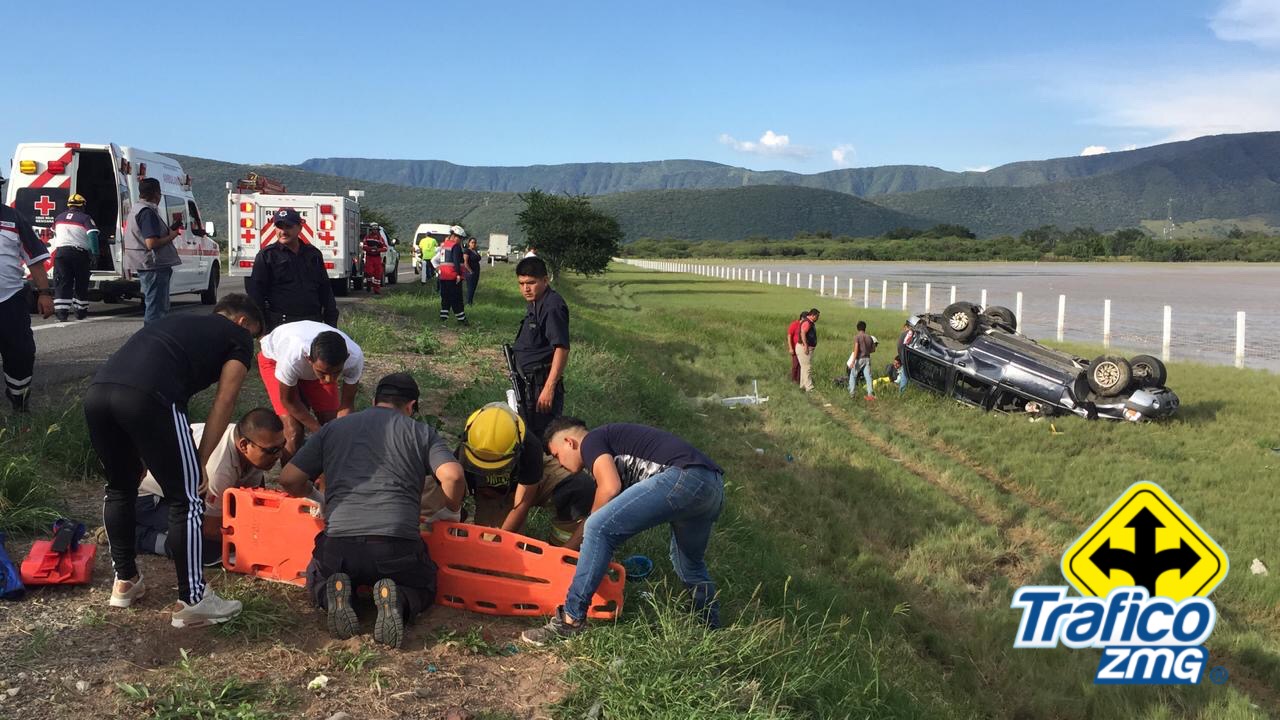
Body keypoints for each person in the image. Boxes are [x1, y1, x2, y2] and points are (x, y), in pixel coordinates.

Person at [84, 293, 264, 627]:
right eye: (254, 333)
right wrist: (200, 460)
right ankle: (194, 600)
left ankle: (125, 583)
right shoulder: (237, 335)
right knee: (188, 497)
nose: (251, 341)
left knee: (120, 488)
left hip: (99, 394)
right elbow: (224, 402)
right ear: (242, 322)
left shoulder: (178, 320)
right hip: (152, 399)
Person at [280, 373, 465, 648]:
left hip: (340, 547)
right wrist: (451, 511)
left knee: (319, 574)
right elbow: (453, 476)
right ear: (411, 406)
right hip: (396, 549)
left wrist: (319, 497)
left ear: (375, 400)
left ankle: (338, 595)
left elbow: (288, 479)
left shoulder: (335, 428)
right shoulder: (421, 432)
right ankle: (399, 599)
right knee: (422, 584)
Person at [522, 418, 725, 645]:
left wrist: (581, 539)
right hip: (711, 485)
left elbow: (609, 490)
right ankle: (711, 630)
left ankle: (570, 620)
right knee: (689, 564)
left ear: (570, 442)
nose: (560, 464)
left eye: (557, 455)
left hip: (683, 478)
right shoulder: (615, 453)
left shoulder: (591, 441)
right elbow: (612, 524)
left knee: (597, 527)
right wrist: (571, 550)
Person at [134, 409, 286, 566]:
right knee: (200, 546)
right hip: (147, 498)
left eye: (283, 445)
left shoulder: (255, 447)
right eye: (273, 450)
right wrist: (256, 537)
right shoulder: (219, 467)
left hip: (186, 493)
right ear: (244, 445)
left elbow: (250, 503)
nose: (279, 455)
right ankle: (139, 537)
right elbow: (210, 529)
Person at [453, 402, 595, 547]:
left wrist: (501, 538)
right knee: (490, 553)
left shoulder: (529, 445)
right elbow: (452, 492)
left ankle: (560, 555)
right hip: (494, 496)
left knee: (579, 487)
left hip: (529, 484)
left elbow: (522, 504)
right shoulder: (464, 451)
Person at [258, 320, 364, 461]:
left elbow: (347, 405)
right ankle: (290, 481)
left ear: (346, 359)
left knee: (332, 426)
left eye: (336, 372)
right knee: (294, 431)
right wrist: (317, 429)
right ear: (309, 359)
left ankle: (325, 475)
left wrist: (337, 433)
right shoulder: (292, 357)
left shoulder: (354, 358)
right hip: (274, 360)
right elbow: (289, 401)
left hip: (311, 366)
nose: (329, 380)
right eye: (323, 373)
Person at [1, 171, 54, 411]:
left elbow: (34, 259)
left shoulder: (13, 219)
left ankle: (19, 402)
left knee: (21, 354)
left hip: (10, 301)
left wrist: (44, 293)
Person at [247, 207, 339, 331]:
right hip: (281, 324)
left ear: (299, 228)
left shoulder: (313, 254)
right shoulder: (267, 256)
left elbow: (326, 291)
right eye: (279, 227)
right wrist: (262, 330)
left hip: (313, 322)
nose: (283, 231)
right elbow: (256, 296)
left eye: (288, 226)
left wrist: (331, 325)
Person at [512, 256, 569, 438]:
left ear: (545, 280)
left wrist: (549, 388)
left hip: (541, 385)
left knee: (543, 440)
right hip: (527, 384)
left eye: (531, 283)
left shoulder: (552, 306)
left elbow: (561, 348)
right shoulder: (535, 302)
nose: (526, 289)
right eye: (521, 284)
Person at [123, 177, 182, 325]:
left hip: (144, 263)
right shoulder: (147, 213)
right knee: (156, 308)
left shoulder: (136, 209)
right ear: (156, 194)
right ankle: (153, 339)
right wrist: (172, 236)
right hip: (154, 265)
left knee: (154, 305)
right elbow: (151, 242)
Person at [49, 193, 99, 322]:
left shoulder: (59, 217)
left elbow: (53, 233)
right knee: (81, 282)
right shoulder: (85, 218)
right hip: (79, 254)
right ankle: (80, 311)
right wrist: (95, 254)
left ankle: (61, 313)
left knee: (62, 282)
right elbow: (92, 235)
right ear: (82, 206)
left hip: (61, 254)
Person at [437, 225, 467, 324]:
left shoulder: (444, 245)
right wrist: (458, 274)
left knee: (445, 298)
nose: (461, 240)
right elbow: (456, 261)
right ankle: (462, 319)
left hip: (443, 276)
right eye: (460, 238)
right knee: (457, 298)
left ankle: (443, 318)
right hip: (453, 277)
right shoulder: (455, 246)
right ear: (454, 236)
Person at [848, 320, 876, 401]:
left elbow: (856, 349)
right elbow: (873, 349)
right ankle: (870, 394)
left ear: (857, 328)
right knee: (868, 377)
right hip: (867, 359)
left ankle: (852, 393)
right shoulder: (869, 337)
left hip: (859, 358)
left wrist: (853, 361)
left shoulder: (857, 337)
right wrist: (866, 350)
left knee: (853, 375)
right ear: (865, 328)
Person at [795, 308, 819, 392]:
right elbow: (803, 333)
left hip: (804, 347)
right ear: (813, 315)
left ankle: (803, 385)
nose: (818, 318)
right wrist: (805, 346)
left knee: (804, 367)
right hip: (804, 348)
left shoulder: (808, 322)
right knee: (807, 367)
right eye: (817, 316)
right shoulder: (807, 322)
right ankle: (809, 387)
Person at [361, 225, 388, 295]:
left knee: (378, 274)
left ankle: (377, 289)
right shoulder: (367, 237)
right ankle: (369, 284)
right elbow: (364, 246)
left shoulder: (380, 239)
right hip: (369, 257)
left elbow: (385, 248)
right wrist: (371, 248)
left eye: (376, 229)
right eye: (373, 229)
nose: (375, 230)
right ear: (371, 230)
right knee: (369, 272)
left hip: (377, 257)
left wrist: (378, 249)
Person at [785, 310, 806, 384]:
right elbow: (789, 336)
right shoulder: (794, 324)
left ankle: (799, 380)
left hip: (803, 348)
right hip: (795, 348)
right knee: (795, 365)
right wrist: (790, 348)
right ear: (802, 318)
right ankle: (793, 380)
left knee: (801, 365)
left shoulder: (805, 326)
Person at [894, 320, 914, 393]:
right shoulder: (909, 334)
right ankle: (902, 392)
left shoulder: (903, 334)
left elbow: (899, 347)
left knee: (904, 374)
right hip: (906, 358)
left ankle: (902, 391)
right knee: (905, 375)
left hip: (903, 358)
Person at [464, 237, 482, 305]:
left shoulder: (475, 251)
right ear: (469, 243)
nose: (473, 244)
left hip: (476, 271)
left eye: (475, 243)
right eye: (472, 242)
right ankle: (468, 303)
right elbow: (465, 262)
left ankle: (471, 301)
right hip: (470, 272)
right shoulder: (467, 251)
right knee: (470, 288)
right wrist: (470, 271)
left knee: (474, 288)